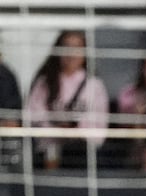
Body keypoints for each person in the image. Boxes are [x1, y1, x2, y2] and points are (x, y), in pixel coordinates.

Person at [24, 30, 110, 169]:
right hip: (48, 150)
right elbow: (32, 116)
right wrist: (56, 130)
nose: (71, 53)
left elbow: (100, 126)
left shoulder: (94, 86)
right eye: (66, 47)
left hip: (82, 155)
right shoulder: (44, 82)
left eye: (77, 48)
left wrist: (75, 132)